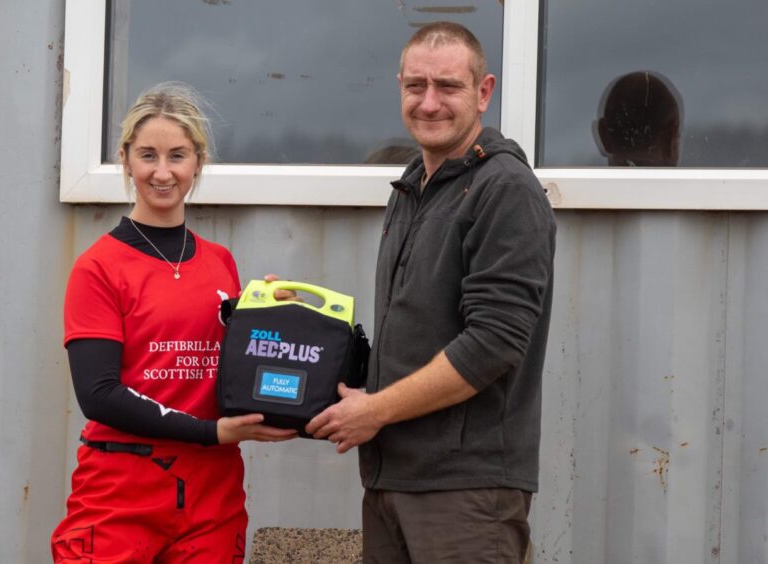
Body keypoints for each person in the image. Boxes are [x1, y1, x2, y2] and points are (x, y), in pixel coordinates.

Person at [306, 22, 556, 563]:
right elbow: (413, 336)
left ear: (484, 92)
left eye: (448, 86)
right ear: (399, 86)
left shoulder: (504, 189)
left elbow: (492, 343)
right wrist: (295, 341)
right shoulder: (414, 186)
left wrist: (375, 411)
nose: (429, 102)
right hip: (393, 478)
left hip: (465, 492)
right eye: (415, 85)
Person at [50, 82, 296, 563]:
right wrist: (212, 433)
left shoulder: (220, 262)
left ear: (198, 162)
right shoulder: (98, 267)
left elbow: (234, 372)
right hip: (121, 492)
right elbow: (97, 394)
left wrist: (277, 319)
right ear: (125, 160)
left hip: (213, 495)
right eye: (147, 156)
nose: (162, 173)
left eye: (177, 156)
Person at [594, 70, 683, 166]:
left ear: (603, 135)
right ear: (671, 139)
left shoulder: (578, 177)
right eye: (678, 135)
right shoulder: (698, 179)